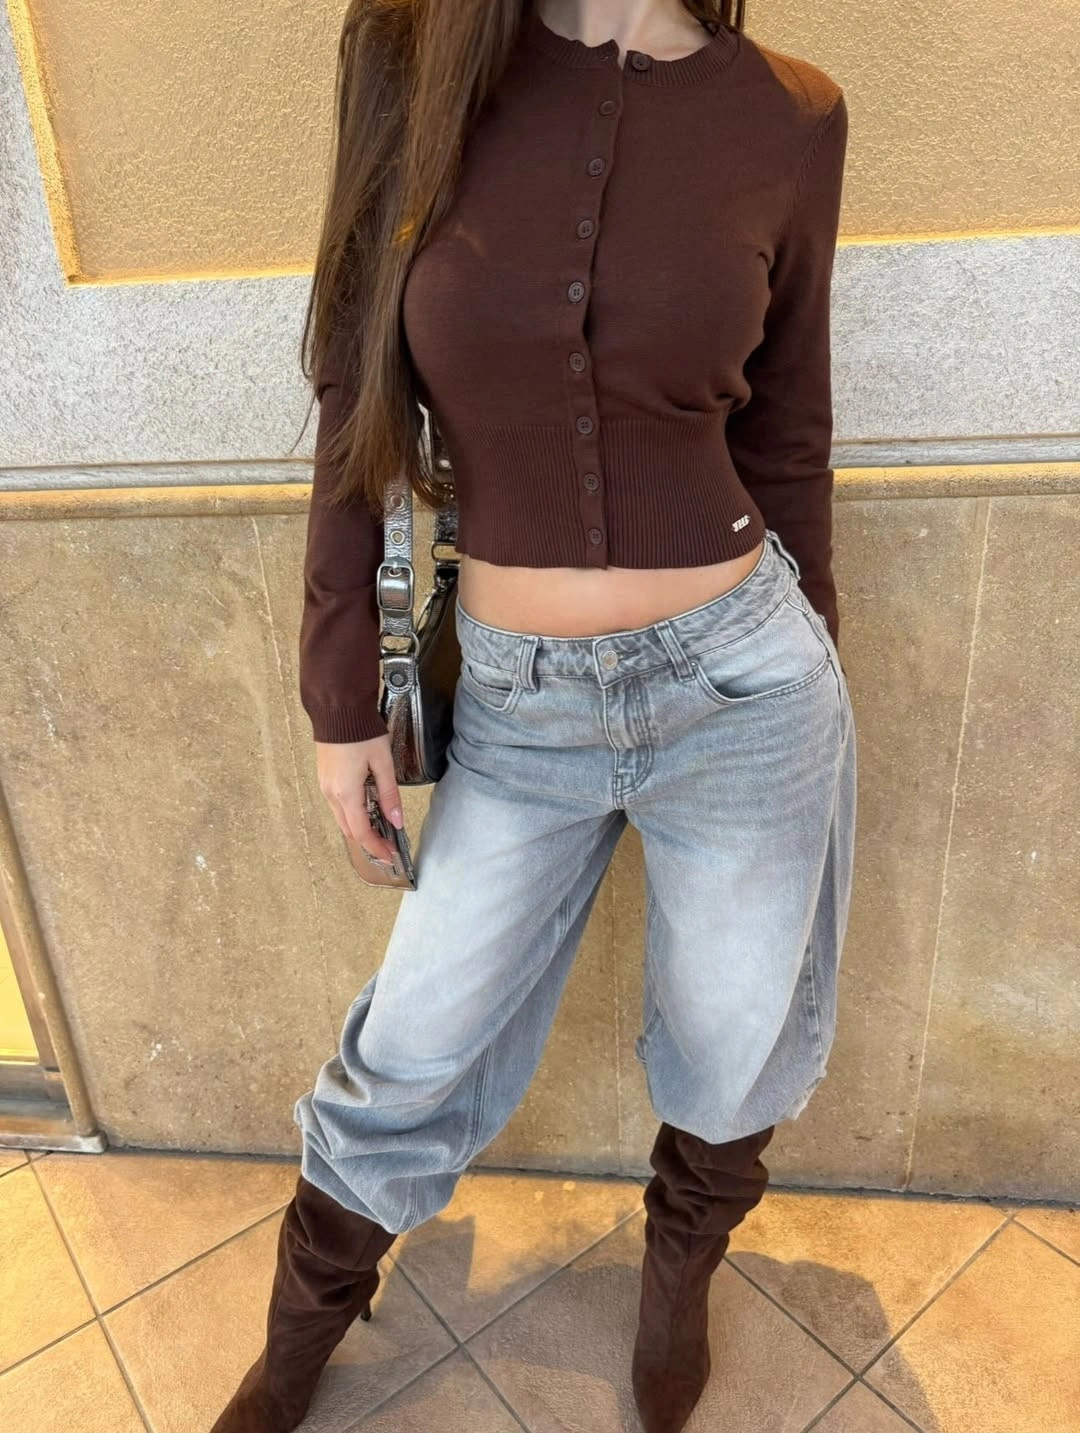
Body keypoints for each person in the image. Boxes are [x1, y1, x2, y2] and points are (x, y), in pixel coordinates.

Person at [212, 0, 856, 1429]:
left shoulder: (792, 115)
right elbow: (353, 388)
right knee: (412, 1043)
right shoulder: (413, 56)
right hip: (515, 703)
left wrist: (818, 647)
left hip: (745, 689)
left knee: (730, 1038)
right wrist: (341, 694)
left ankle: (677, 1282)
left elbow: (787, 428)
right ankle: (301, 1335)